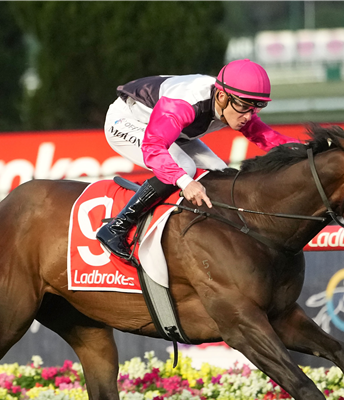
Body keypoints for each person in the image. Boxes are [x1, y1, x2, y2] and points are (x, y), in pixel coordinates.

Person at [96, 59, 299, 262]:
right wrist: (185, 182)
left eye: (256, 108)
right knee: (185, 168)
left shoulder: (233, 102)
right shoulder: (185, 103)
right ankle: (116, 227)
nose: (248, 117)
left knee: (222, 172)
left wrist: (308, 149)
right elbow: (153, 147)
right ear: (222, 96)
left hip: (172, 131)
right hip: (127, 121)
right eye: (245, 107)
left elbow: (268, 138)